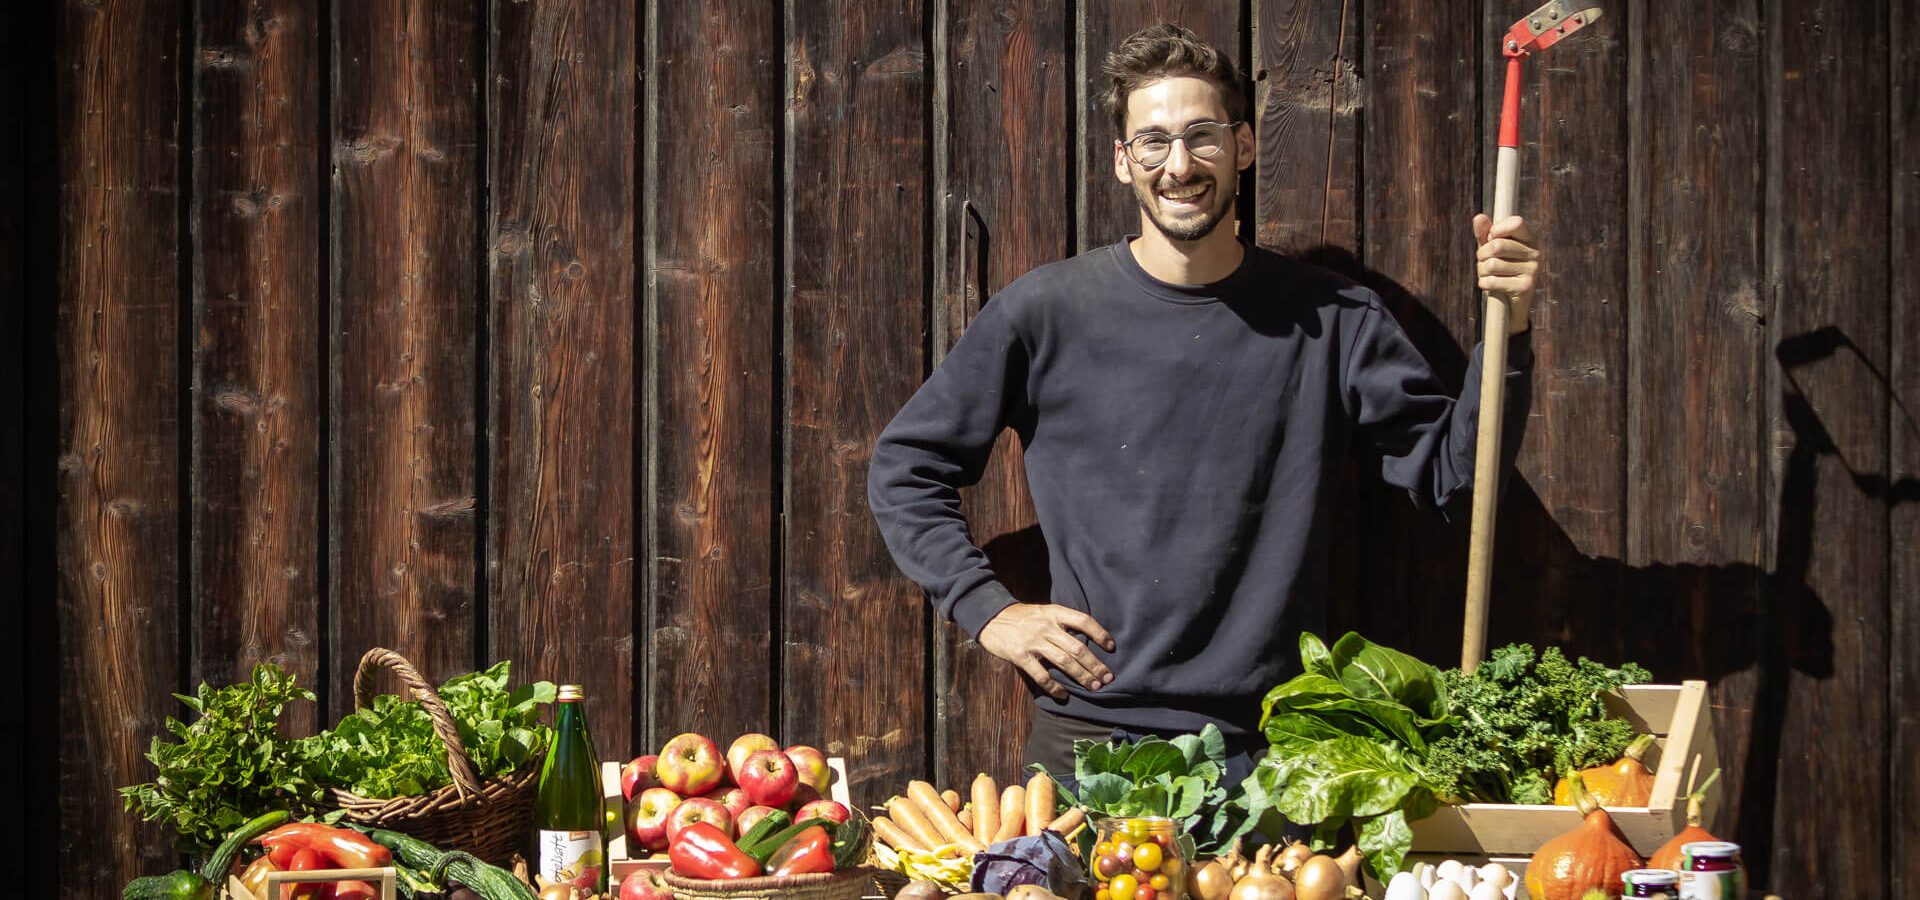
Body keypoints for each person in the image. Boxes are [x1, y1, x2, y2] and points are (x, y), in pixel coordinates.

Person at [866, 22, 1541, 786]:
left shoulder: (1335, 322)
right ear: (1123, 162)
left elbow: (1458, 481)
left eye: (1202, 136)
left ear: (1245, 147)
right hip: (1095, 742)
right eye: (1152, 142)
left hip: (1277, 751)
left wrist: (1508, 327)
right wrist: (988, 609)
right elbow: (904, 466)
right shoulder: (1046, 314)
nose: (1178, 165)